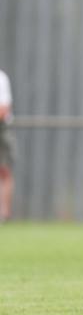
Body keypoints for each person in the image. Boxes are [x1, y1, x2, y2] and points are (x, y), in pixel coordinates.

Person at [0, 69, 14, 222]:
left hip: (2, 129)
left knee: (4, 170)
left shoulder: (1, 78)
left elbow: (4, 109)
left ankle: (4, 215)